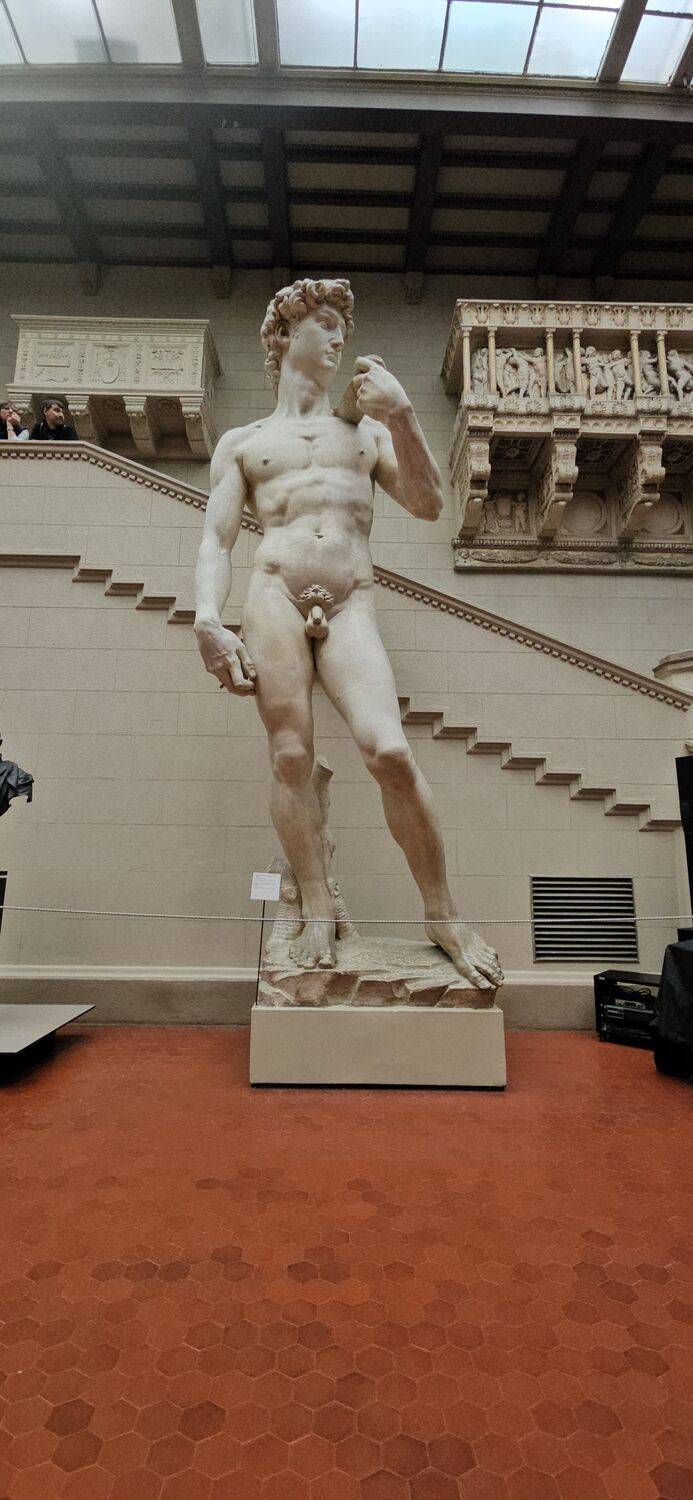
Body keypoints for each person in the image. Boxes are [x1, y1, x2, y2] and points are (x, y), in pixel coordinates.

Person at [194, 276, 503, 991]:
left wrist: (403, 415)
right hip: (273, 593)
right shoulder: (244, 442)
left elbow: (428, 504)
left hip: (350, 599)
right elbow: (216, 540)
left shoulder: (365, 431)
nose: (338, 338)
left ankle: (443, 914)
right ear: (283, 335)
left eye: (343, 327)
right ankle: (317, 909)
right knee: (291, 756)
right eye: (326, 323)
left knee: (388, 750)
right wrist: (207, 617)